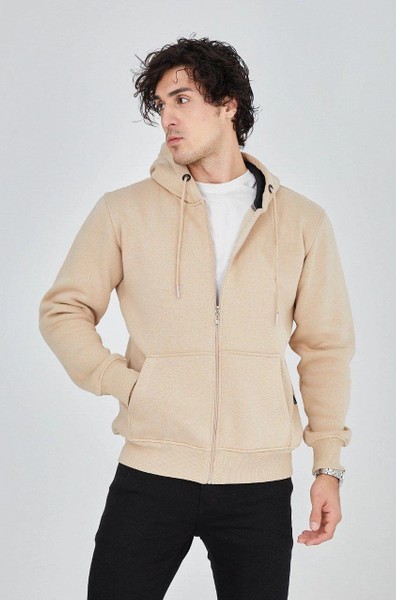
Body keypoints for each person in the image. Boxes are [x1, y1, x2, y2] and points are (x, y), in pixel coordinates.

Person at [38, 36, 356, 600]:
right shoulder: (124, 210)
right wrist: (126, 384)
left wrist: (327, 465)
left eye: (182, 99)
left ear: (228, 104)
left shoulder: (302, 222)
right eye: (161, 105)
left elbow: (325, 346)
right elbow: (64, 309)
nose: (168, 118)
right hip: (152, 472)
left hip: (259, 483)